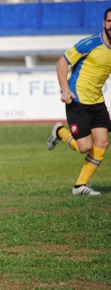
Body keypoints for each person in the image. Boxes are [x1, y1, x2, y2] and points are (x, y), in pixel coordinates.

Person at [46, 7, 111, 196]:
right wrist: (65, 89)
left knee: (102, 143)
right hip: (77, 99)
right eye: (109, 21)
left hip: (97, 101)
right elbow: (62, 62)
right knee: (84, 147)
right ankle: (59, 131)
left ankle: (79, 186)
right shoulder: (90, 43)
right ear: (104, 23)